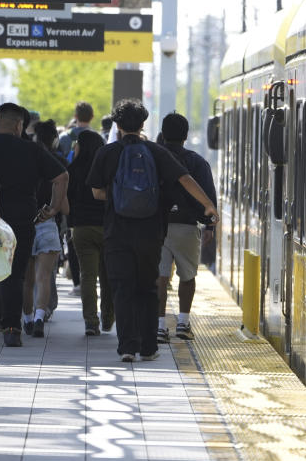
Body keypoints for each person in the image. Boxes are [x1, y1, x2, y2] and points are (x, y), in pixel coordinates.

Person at [87, 100, 218, 362]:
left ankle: (127, 347)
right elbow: (184, 179)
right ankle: (148, 347)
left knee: (122, 288)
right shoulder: (155, 152)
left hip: (117, 232)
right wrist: (207, 205)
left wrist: (120, 198)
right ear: (143, 124)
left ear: (117, 125)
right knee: (147, 287)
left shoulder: (107, 153)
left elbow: (96, 192)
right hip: (151, 231)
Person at [0, 103, 68, 347]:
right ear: (19, 125)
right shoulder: (32, 149)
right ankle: (11, 329)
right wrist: (53, 208)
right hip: (20, 221)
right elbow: (61, 177)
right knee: (14, 275)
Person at [156, 113, 217, 343]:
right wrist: (210, 226)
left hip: (158, 225)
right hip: (188, 226)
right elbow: (208, 196)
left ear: (163, 132)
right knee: (188, 275)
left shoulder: (154, 157)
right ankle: (183, 322)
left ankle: (160, 326)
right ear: (186, 135)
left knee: (160, 276)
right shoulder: (197, 161)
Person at [21, 119, 69, 338]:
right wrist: (54, 208)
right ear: (54, 139)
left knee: (27, 278)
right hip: (48, 224)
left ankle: (27, 319)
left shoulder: (25, 159)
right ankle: (41, 316)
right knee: (44, 277)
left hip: (25, 222)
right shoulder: (57, 163)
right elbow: (66, 207)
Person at [68, 129, 113, 335]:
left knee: (87, 276)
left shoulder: (73, 169)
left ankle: (90, 322)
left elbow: (67, 199)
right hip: (107, 227)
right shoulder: (107, 168)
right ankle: (108, 318)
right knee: (107, 276)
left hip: (82, 228)